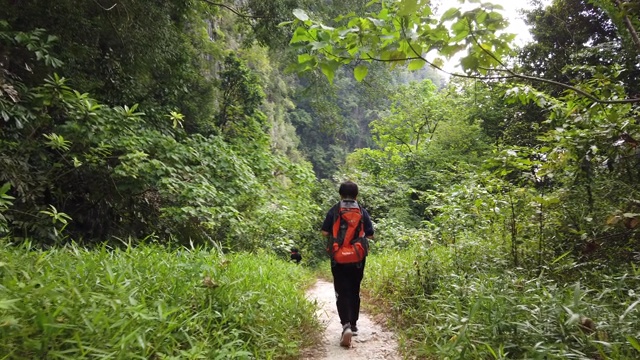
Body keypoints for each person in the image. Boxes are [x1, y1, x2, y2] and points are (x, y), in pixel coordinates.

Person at [321, 181, 374, 347]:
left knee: (341, 290)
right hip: (357, 258)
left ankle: (345, 325)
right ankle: (354, 324)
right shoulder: (362, 211)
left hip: (338, 257)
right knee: (354, 289)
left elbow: (324, 232)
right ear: (356, 195)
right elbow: (370, 235)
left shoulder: (335, 210)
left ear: (340, 194)